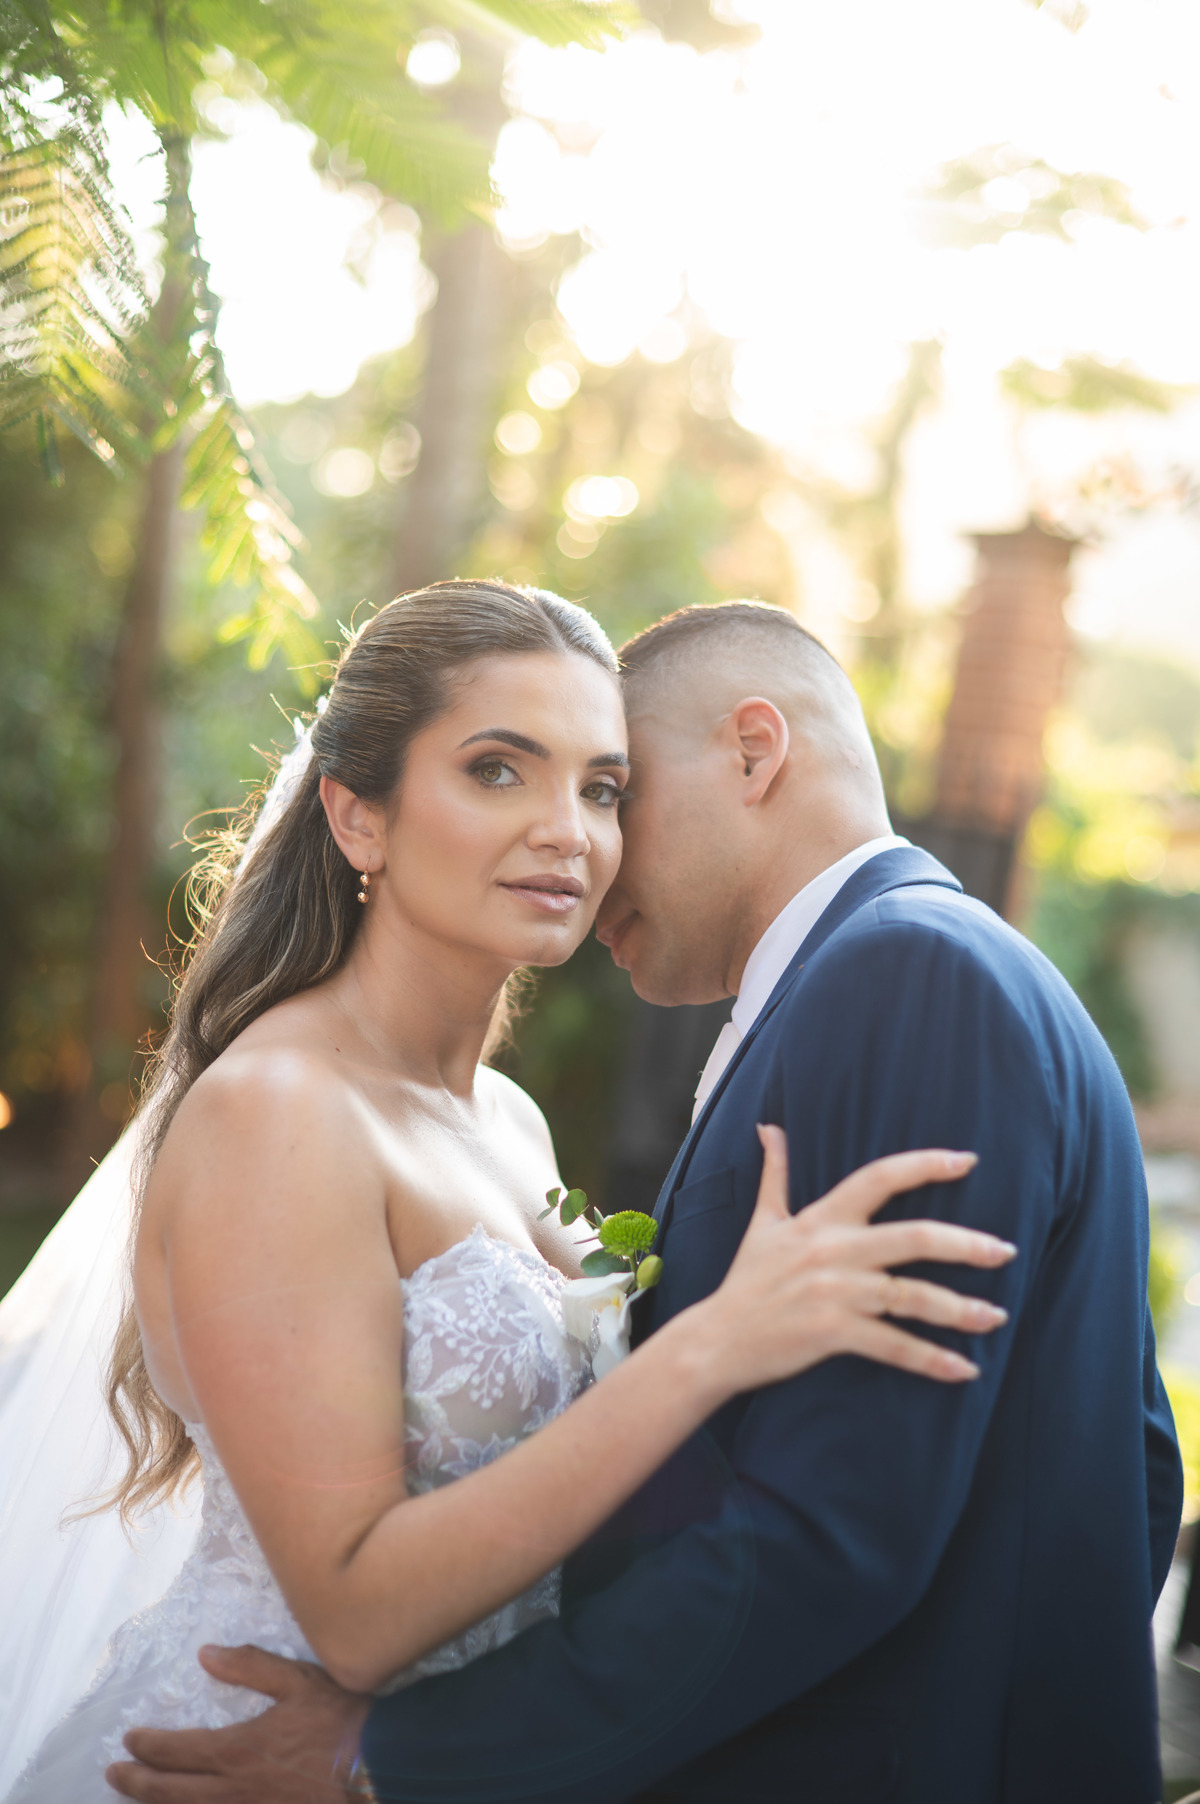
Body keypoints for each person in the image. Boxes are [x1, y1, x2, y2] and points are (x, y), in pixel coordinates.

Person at [110, 598, 1183, 1804]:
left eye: (611, 786)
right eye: (499, 769)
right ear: (358, 812)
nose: (574, 835)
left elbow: (837, 1530)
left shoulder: (894, 979)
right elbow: (1124, 1475)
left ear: (755, 751)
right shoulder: (284, 1109)